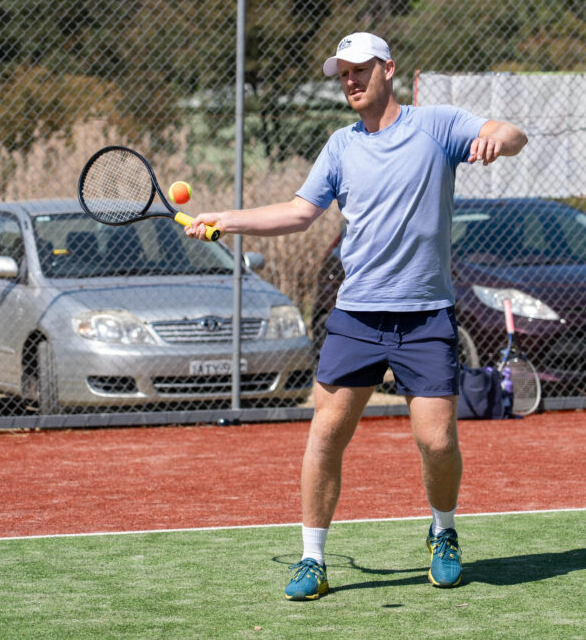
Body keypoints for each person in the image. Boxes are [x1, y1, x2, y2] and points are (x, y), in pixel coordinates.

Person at [186, 32, 527, 600]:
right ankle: (313, 559)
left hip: (425, 317)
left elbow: (511, 134)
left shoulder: (437, 125)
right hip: (357, 318)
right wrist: (227, 219)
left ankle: (443, 532)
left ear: (388, 69)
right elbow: (299, 213)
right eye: (342, 72)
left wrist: (497, 139)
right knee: (325, 436)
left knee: (438, 441)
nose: (349, 80)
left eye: (359, 69)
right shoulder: (340, 146)